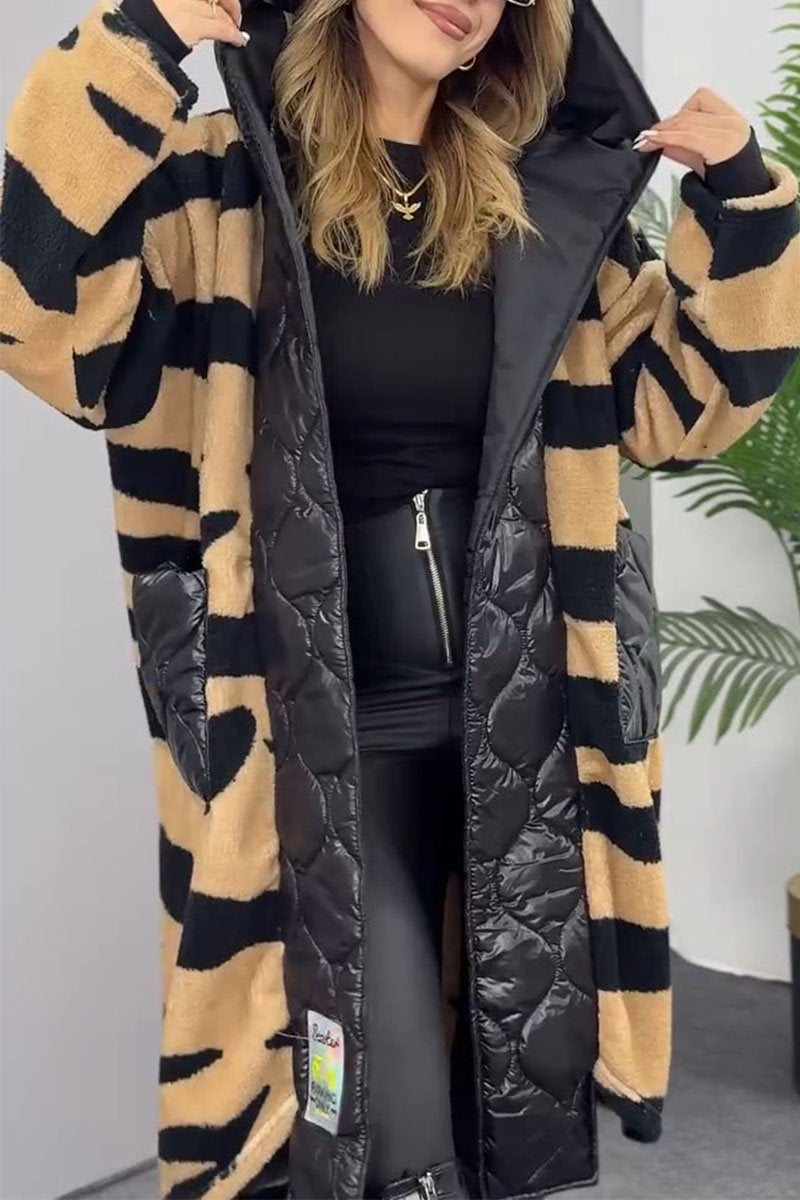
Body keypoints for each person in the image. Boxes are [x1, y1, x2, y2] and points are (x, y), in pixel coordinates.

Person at [2, 1, 799, 1198]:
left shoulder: (538, 201)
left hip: (518, 730)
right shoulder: (219, 189)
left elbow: (680, 407)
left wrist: (742, 198)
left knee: (493, 1116)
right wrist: (137, 44)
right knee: (380, 1129)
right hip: (317, 735)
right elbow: (37, 311)